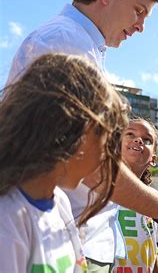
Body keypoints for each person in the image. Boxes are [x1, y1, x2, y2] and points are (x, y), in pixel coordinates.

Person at [6, 0, 158, 260]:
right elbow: (87, 157)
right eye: (139, 11)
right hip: (46, 239)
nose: (140, 26)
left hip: (70, 235)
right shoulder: (66, 43)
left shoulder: (82, 43)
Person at [0, 53, 129, 272]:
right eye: (106, 141)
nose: (106, 157)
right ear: (83, 133)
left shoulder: (59, 202)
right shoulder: (8, 218)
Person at [114, 116, 158, 273]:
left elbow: (152, 254)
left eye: (147, 139)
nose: (138, 140)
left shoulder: (155, 200)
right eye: (130, 134)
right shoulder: (100, 193)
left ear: (153, 158)